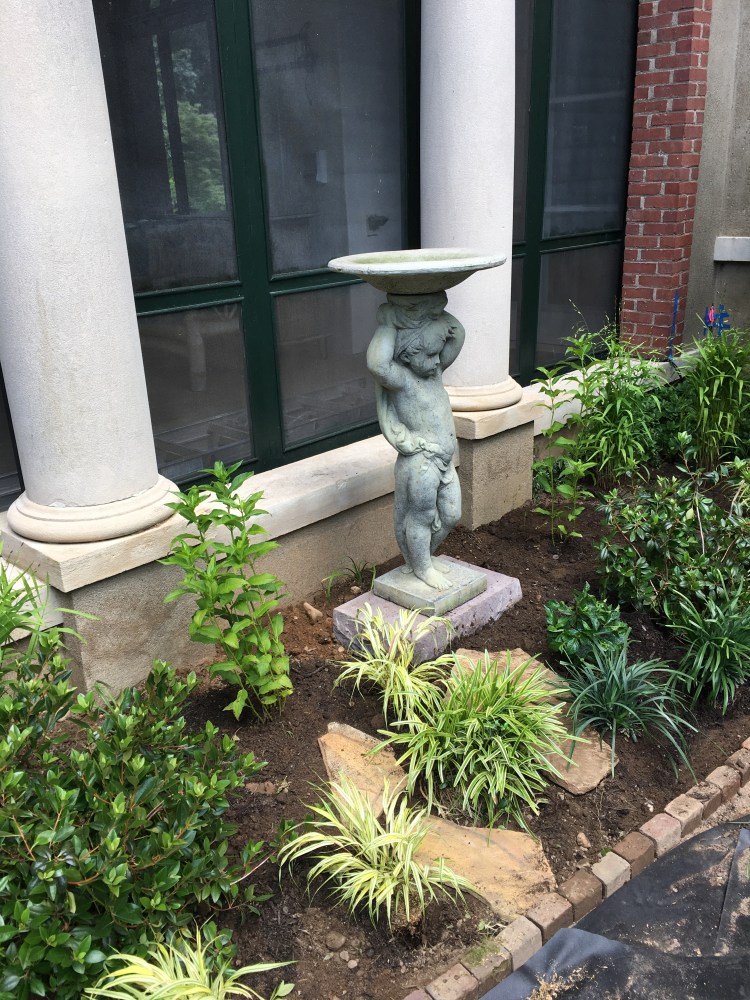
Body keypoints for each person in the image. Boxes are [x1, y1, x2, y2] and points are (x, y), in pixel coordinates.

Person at [366, 291, 465, 591]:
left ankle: (420, 558)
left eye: (438, 355)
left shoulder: (432, 373)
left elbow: (457, 334)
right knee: (421, 515)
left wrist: (431, 312)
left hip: (445, 460)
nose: (438, 361)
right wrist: (390, 320)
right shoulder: (402, 380)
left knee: (451, 514)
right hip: (423, 460)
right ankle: (421, 567)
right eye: (431, 355)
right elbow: (377, 364)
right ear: (408, 355)